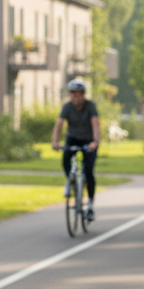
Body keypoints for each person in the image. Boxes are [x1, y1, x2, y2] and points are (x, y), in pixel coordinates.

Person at [51, 79, 101, 221]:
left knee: (89, 171)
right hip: (72, 138)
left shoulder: (90, 106)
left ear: (83, 94)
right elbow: (59, 124)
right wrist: (55, 142)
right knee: (65, 161)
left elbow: (95, 124)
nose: (76, 96)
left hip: (88, 140)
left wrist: (95, 141)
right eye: (73, 93)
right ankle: (71, 182)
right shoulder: (67, 107)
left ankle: (90, 205)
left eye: (79, 93)